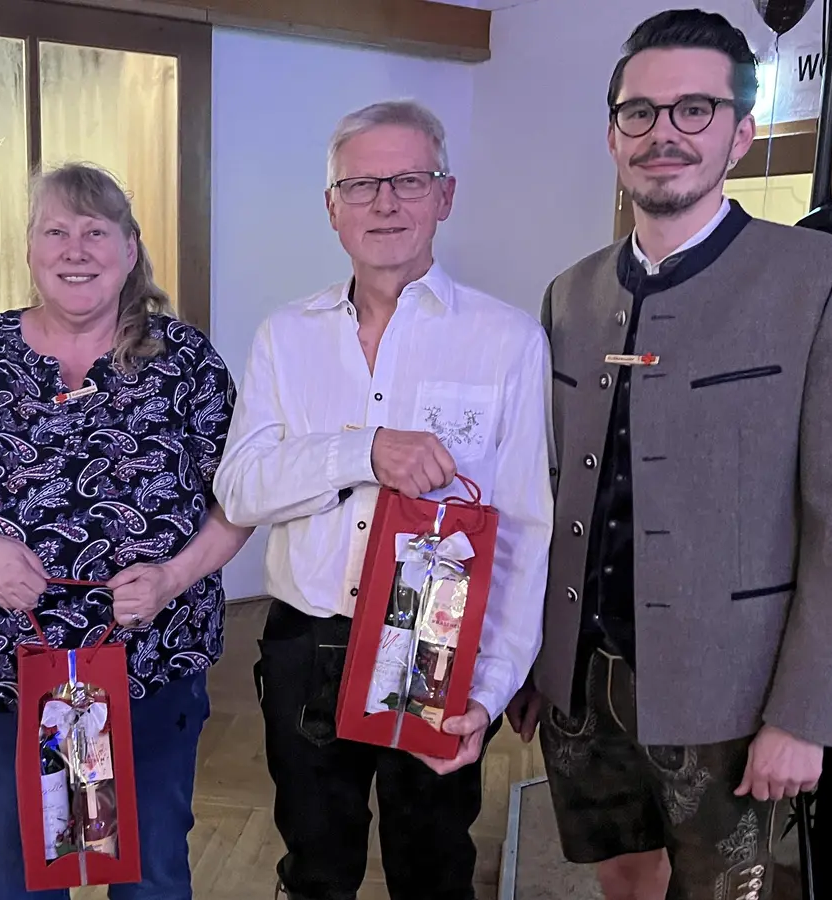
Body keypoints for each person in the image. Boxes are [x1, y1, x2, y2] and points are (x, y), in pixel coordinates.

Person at [504, 10, 832, 900]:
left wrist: (807, 713)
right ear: (613, 134)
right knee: (624, 874)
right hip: (583, 672)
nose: (665, 135)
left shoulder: (824, 282)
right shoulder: (572, 292)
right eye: (640, 113)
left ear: (740, 131)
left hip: (734, 682)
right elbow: (548, 489)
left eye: (694, 109)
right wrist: (532, 658)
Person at [0, 161, 253, 900]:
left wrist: (173, 578)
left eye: (95, 231)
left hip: (151, 662)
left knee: (151, 875)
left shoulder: (186, 364)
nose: (75, 249)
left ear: (130, 248)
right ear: (30, 249)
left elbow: (241, 498)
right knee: (21, 878)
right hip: (6, 671)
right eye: (57, 231)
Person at [212, 99, 555, 900]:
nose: (386, 202)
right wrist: (363, 451)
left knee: (433, 872)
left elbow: (525, 529)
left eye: (409, 179)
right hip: (307, 647)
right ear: (331, 209)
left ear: (447, 194)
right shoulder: (284, 336)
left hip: (433, 648)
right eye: (361, 185)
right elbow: (241, 486)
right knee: (314, 871)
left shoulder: (505, 341)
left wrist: (488, 683)